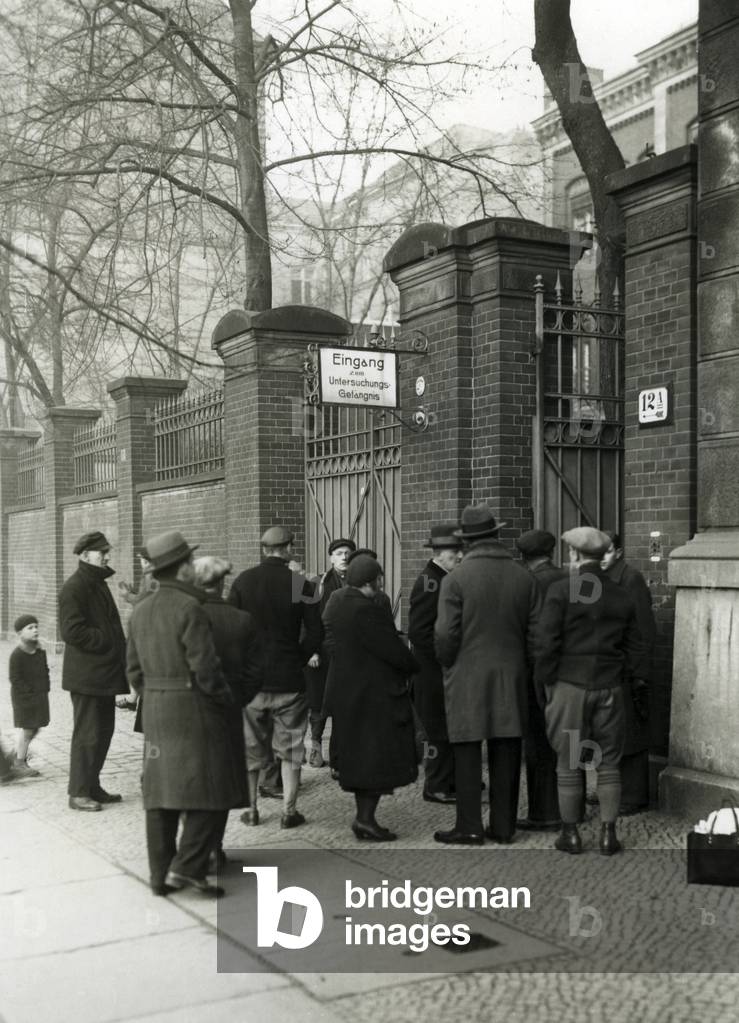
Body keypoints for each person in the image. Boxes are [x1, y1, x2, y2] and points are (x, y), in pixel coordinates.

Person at [127, 531, 246, 897]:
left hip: (157, 708)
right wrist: (225, 698)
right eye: (190, 564)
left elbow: (132, 669)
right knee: (213, 790)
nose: (194, 569)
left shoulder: (141, 608)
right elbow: (205, 668)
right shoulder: (190, 608)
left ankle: (159, 875)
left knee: (160, 794)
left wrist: (155, 694)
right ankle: (188, 868)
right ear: (180, 570)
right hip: (194, 709)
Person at [535, 527, 648, 856]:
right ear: (602, 555)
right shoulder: (620, 594)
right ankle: (608, 835)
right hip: (610, 688)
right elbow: (635, 646)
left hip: (570, 688)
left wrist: (547, 684)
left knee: (569, 762)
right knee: (609, 763)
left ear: (573, 555)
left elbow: (545, 645)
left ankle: (570, 834)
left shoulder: (560, 591)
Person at [434, 505, 539, 846]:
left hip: (467, 676)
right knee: (507, 750)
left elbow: (445, 635)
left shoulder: (455, 579)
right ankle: (504, 826)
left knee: (466, 753)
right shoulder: (524, 577)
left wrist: (448, 663)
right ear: (496, 535)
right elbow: (536, 634)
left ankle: (469, 826)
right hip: (512, 676)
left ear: (467, 541)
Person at [228, 525, 322, 829]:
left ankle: (252, 809)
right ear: (289, 548)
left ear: (264, 549)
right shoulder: (299, 583)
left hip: (253, 683)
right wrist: (297, 655)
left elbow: (232, 628)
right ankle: (288, 811)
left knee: (252, 748)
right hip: (289, 680)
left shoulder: (244, 581)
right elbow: (317, 631)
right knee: (291, 749)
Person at [323, 554, 419, 841]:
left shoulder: (337, 603)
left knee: (358, 755)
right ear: (371, 580)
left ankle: (364, 817)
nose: (381, 581)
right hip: (374, 695)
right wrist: (414, 663)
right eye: (379, 577)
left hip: (347, 691)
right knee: (375, 758)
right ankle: (365, 819)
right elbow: (390, 648)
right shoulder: (369, 610)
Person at [192, 555, 261, 851]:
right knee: (221, 780)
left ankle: (197, 848)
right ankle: (216, 847)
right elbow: (256, 671)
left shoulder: (186, 616)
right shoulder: (241, 619)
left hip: (191, 710)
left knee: (194, 780)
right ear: (222, 583)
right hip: (228, 711)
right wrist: (238, 698)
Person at [59, 531, 128, 811]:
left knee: (104, 731)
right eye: (102, 552)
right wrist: (107, 640)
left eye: (107, 551)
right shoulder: (74, 587)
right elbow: (72, 632)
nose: (107, 556)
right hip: (87, 676)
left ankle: (92, 785)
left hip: (102, 674)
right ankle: (78, 793)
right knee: (88, 733)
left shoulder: (96, 582)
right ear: (86, 555)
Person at [514, 529, 567, 831]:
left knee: (538, 741)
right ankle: (570, 806)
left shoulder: (528, 583)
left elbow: (528, 631)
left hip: (537, 670)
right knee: (567, 739)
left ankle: (544, 811)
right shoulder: (568, 580)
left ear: (524, 556)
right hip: (569, 671)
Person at [408, 523, 464, 804]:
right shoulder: (431, 581)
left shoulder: (442, 577)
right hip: (432, 672)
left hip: (439, 671)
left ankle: (451, 780)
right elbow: (419, 631)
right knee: (437, 731)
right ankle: (436, 786)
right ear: (440, 553)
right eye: (455, 552)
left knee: (448, 728)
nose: (460, 557)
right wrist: (444, 658)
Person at [602, 531, 656, 814]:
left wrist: (639, 673)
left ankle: (634, 796)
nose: (602, 557)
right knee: (611, 733)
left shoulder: (629, 578)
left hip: (627, 668)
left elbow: (643, 629)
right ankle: (613, 790)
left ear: (619, 552)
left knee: (631, 734)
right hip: (608, 669)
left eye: (608, 551)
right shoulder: (598, 580)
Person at [303, 537, 356, 768]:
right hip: (322, 652)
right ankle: (315, 746)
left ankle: (344, 752)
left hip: (350, 653)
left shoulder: (359, 581)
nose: (344, 557)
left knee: (346, 701)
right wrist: (310, 651)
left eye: (348, 553)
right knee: (319, 702)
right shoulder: (317, 583)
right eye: (339, 553)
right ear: (331, 557)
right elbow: (306, 620)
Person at [8, 614, 50, 778]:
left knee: (36, 727)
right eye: (30, 628)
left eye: (36, 627)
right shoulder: (17, 655)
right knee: (28, 730)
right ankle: (20, 762)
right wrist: (28, 693)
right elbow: (15, 678)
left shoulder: (39, 651)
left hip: (39, 697)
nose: (35, 630)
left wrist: (46, 687)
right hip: (24, 699)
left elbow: (45, 670)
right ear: (20, 633)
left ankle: (16, 754)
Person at [116, 550, 157, 711]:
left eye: (141, 559)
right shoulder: (151, 575)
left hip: (147, 625)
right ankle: (134, 697)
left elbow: (143, 602)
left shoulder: (150, 575)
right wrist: (134, 593)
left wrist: (128, 596)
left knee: (136, 658)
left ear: (145, 560)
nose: (140, 562)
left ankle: (134, 698)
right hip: (150, 623)